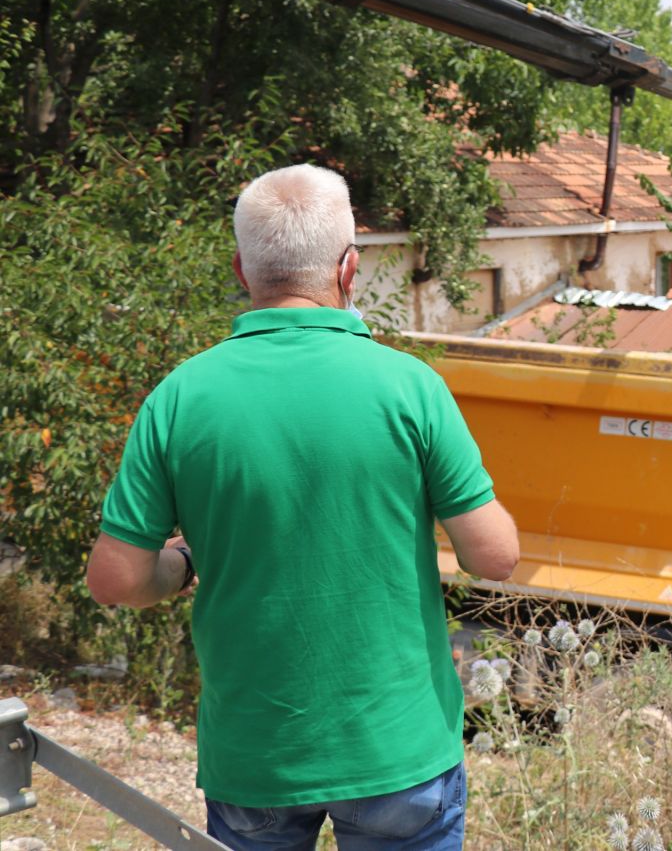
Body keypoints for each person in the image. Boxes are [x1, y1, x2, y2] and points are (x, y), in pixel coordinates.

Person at [85, 164, 520, 851]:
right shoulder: (412, 388)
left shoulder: (179, 397)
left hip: (255, 756)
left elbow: (114, 578)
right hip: (398, 752)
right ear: (350, 269)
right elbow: (494, 555)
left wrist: (181, 565)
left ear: (241, 268)